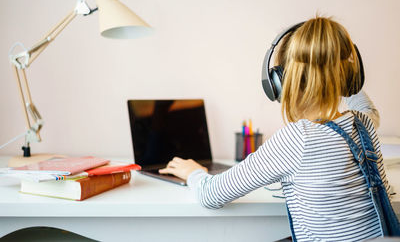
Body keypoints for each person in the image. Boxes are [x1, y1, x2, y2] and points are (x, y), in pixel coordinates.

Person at [159, 17, 391, 241]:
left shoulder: (297, 139)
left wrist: (194, 173)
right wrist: (339, 73)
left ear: (280, 83)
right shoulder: (364, 124)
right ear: (349, 77)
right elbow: (366, 107)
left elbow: (211, 195)